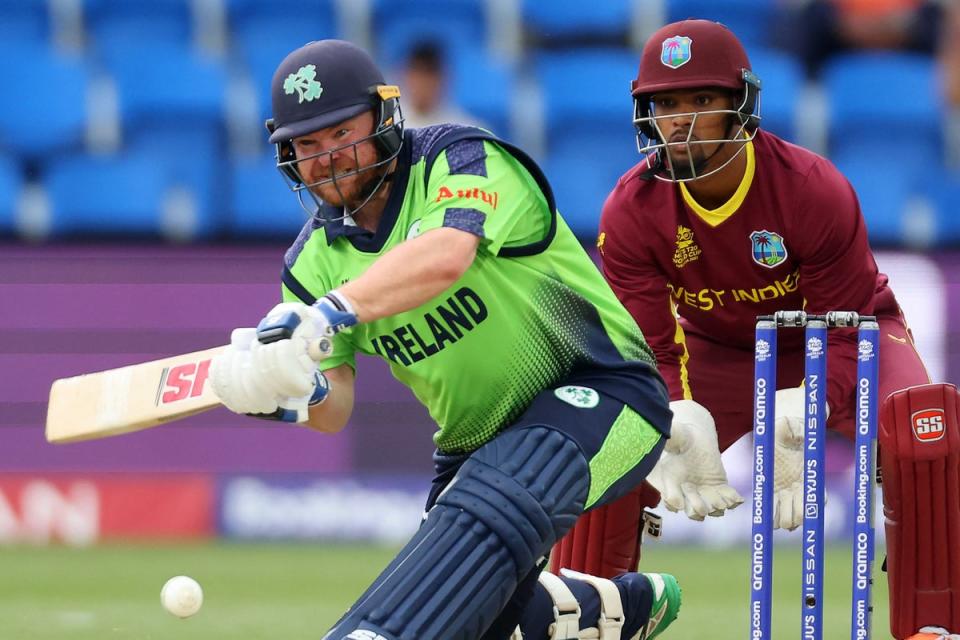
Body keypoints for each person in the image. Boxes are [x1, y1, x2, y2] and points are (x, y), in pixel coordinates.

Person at [208, 39, 688, 640]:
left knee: (499, 497)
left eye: (340, 133)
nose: (327, 157)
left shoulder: (461, 158)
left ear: (383, 119)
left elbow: (446, 254)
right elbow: (334, 407)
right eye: (307, 145)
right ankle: (604, 614)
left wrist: (331, 312)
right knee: (473, 618)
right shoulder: (309, 264)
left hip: (602, 389)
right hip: (473, 446)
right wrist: (283, 390)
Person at [555, 18, 960, 640]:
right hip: (716, 346)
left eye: (702, 101)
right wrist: (672, 412)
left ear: (742, 105)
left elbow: (845, 331)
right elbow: (649, 350)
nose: (680, 121)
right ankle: (581, 621)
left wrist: (815, 398)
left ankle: (933, 625)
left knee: (923, 434)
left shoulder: (812, 189)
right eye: (665, 104)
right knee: (608, 440)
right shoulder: (631, 211)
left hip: (843, 334)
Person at [398, 40, 487, 130]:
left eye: (429, 75)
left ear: (444, 79)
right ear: (405, 76)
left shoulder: (466, 129)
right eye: (417, 74)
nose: (423, 83)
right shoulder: (390, 124)